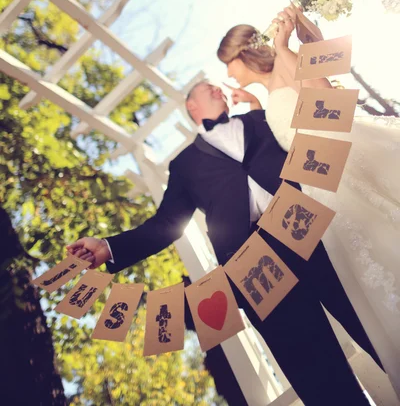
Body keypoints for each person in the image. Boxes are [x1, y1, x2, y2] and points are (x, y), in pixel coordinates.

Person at [68, 81, 382, 405]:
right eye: (207, 87)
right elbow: (166, 225)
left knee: (373, 324)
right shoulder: (183, 164)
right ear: (191, 106)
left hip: (309, 228)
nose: (217, 87)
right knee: (315, 371)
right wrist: (108, 246)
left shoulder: (261, 119)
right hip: (251, 266)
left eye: (217, 84)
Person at [217, 4, 400, 396]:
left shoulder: (288, 62)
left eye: (228, 63)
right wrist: (248, 104)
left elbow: (330, 103)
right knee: (367, 285)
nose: (228, 73)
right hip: (317, 196)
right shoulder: (262, 103)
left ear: (241, 54)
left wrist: (285, 47)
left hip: (335, 175)